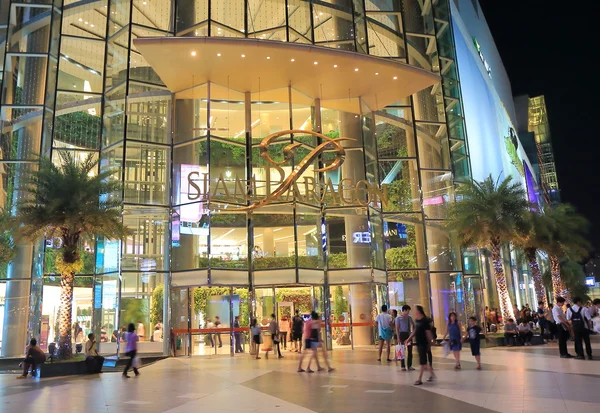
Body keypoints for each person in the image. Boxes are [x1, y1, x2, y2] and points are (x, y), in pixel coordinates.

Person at [405, 305, 435, 385]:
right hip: (419, 343)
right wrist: (409, 338)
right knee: (424, 361)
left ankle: (419, 379)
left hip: (423, 343)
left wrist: (431, 341)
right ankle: (432, 374)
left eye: (416, 310)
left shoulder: (425, 321)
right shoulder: (417, 320)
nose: (415, 312)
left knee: (422, 362)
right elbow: (415, 331)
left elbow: (428, 332)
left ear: (419, 311)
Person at [396, 304, 415, 371]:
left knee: (410, 350)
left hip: (408, 335)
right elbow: (397, 328)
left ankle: (409, 365)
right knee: (402, 350)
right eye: (408, 311)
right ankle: (403, 366)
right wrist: (398, 338)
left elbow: (413, 324)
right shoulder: (398, 318)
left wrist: (412, 332)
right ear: (404, 310)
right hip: (402, 335)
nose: (408, 312)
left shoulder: (409, 317)